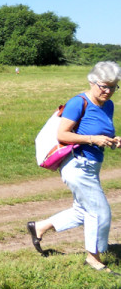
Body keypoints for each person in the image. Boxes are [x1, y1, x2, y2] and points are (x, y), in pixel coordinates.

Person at [28, 61, 121, 274]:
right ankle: (93, 259)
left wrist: (112, 140)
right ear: (92, 81)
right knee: (99, 211)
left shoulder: (108, 105)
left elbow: (100, 131)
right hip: (76, 164)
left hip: (92, 165)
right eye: (104, 86)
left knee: (83, 211)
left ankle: (39, 227)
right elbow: (63, 135)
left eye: (114, 87)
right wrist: (92, 139)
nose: (108, 91)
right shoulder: (78, 102)